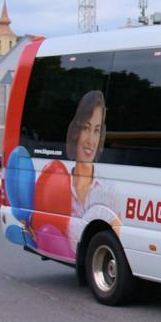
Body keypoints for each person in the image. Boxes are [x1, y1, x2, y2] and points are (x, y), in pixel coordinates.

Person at [65, 90, 121, 239]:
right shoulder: (60, 182)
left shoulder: (108, 192)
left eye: (96, 130)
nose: (91, 140)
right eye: (86, 128)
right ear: (76, 130)